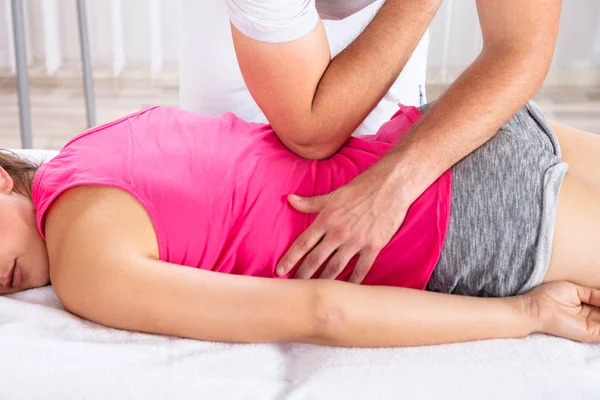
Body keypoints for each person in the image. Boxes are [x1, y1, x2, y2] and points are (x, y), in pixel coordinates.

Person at [1, 100, 599, 347]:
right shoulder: (95, 141)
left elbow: (322, 312)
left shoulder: (86, 267)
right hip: (461, 131)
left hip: (470, 223)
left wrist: (528, 315)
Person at [180, 0, 564, 283]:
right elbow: (309, 131)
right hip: (256, 165)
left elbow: (520, 44)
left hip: (410, 147)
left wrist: (398, 180)